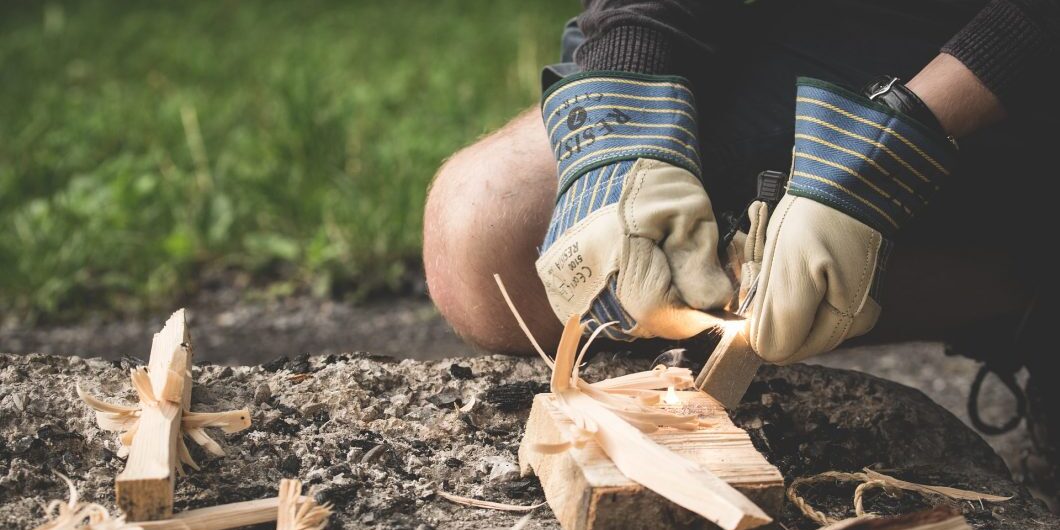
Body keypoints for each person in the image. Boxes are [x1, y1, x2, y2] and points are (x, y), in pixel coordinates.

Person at [424, 0, 1058, 504]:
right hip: (857, 26)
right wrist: (622, 109)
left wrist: (900, 141)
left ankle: (1030, 287)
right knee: (486, 228)